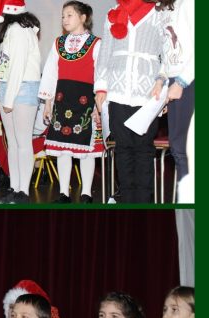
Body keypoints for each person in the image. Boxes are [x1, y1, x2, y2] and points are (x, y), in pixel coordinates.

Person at [94, 0, 171, 203]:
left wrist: (163, 82)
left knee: (144, 148)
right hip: (117, 91)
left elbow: (169, 51)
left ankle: (143, 201)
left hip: (148, 92)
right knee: (123, 148)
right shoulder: (113, 13)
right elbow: (104, 53)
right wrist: (100, 87)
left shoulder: (159, 12)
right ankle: (127, 200)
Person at [39, 1, 103, 204]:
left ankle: (86, 193)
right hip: (62, 99)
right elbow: (50, 72)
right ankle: (63, 193)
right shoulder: (58, 43)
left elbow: (101, 75)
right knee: (63, 149)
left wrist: (98, 105)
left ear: (83, 18)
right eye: (63, 16)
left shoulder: (96, 43)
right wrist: (48, 103)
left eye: (69, 15)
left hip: (86, 101)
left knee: (87, 151)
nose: (64, 19)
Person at [0, 0, 41, 205]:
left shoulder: (19, 30)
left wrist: (8, 97)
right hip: (8, 87)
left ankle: (23, 191)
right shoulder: (12, 30)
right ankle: (15, 187)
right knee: (13, 143)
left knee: (23, 142)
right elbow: (3, 64)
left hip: (23, 88)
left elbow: (17, 66)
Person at [164, 0, 194, 186]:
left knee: (186, 147)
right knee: (178, 147)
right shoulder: (166, 9)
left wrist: (181, 82)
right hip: (174, 80)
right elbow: (167, 53)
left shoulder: (189, 3)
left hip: (189, 79)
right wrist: (161, 80)